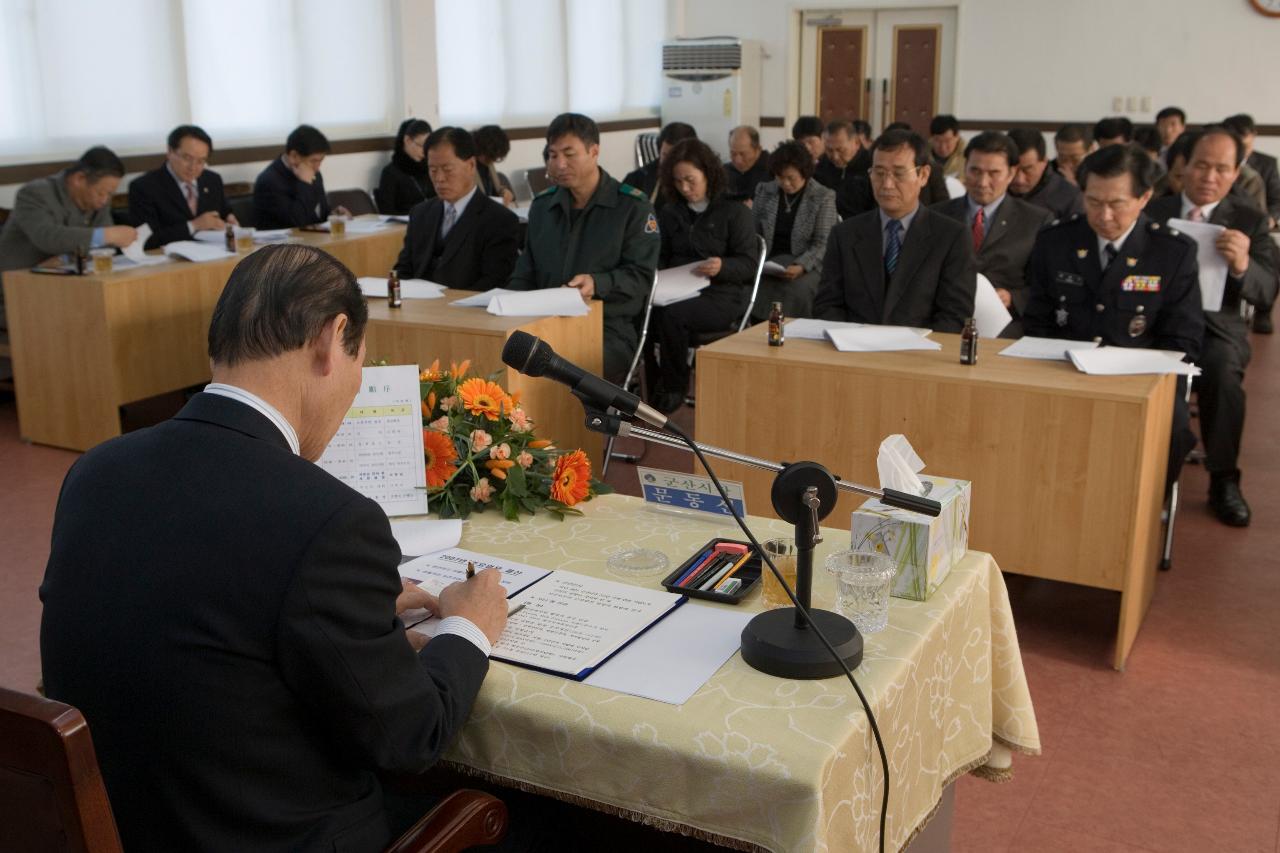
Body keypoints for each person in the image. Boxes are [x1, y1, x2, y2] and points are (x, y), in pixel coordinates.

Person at [40, 242, 509, 852]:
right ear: (330, 338)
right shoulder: (327, 519)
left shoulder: (97, 470)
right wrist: (469, 628)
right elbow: (410, 738)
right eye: (358, 360)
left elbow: (202, 615)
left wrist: (349, 616)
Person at [1023, 143, 1203, 492]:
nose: (1104, 216)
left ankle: (1148, 509)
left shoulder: (1172, 252)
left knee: (1176, 429)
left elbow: (1184, 339)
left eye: (1116, 204)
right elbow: (1037, 321)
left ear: (1144, 197)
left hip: (1140, 377)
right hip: (1062, 370)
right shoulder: (1055, 241)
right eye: (1093, 202)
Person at [1146, 128, 1277, 526]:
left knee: (1221, 372)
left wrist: (1242, 265)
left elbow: (1267, 289)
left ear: (1236, 173)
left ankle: (1224, 480)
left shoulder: (1249, 220)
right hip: (1154, 325)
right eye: (1201, 165)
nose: (1209, 176)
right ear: (1182, 165)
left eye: (1222, 168)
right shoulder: (1153, 210)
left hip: (1215, 329)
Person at [508, 113, 659, 381]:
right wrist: (505, 307)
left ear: (594, 151)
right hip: (541, 320)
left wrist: (598, 283)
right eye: (553, 155)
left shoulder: (632, 207)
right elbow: (524, 272)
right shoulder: (543, 206)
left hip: (607, 328)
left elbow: (640, 277)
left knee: (563, 369)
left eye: (569, 154)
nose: (560, 164)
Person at [814, 128, 975, 331]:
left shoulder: (951, 236)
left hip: (919, 354)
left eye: (899, 174)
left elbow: (955, 315)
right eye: (879, 173)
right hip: (854, 350)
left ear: (923, 175)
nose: (887, 184)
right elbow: (827, 306)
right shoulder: (844, 234)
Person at [644, 139, 758, 414]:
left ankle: (675, 386)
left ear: (708, 174)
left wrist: (723, 266)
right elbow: (662, 254)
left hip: (721, 293)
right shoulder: (671, 211)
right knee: (642, 311)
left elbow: (749, 265)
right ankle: (651, 383)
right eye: (679, 181)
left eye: (691, 180)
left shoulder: (734, 211)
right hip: (676, 288)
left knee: (673, 316)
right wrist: (655, 272)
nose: (685, 188)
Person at [933, 132, 1053, 336]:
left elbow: (1045, 286)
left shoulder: (1036, 221)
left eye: (993, 173)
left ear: (1011, 173)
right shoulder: (936, 215)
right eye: (975, 171)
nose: (982, 182)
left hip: (1006, 328)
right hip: (945, 324)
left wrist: (1013, 297)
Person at [393, 127, 520, 291]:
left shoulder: (500, 220)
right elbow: (404, 270)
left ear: (471, 165)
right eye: (433, 170)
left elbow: (494, 280)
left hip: (466, 311)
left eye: (447, 169)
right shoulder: (420, 213)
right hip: (417, 308)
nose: (439, 178)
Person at [0, 146, 136, 273]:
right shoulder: (34, 193)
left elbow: (105, 249)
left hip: (67, 277)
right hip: (19, 279)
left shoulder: (99, 200)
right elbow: (47, 237)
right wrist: (105, 235)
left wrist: (65, 259)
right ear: (79, 179)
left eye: (110, 194)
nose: (105, 200)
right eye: (101, 193)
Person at [750, 140, 838, 321]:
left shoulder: (822, 196)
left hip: (809, 263)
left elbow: (823, 243)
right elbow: (753, 233)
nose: (785, 183)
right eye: (780, 177)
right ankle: (757, 332)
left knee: (796, 290)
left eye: (791, 178)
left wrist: (801, 265)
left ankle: (790, 334)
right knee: (753, 284)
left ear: (804, 173)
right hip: (771, 261)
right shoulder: (765, 191)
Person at [128, 125, 237, 249]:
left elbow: (225, 212)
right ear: (169, 152)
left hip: (212, 256)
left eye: (201, 161)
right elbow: (146, 240)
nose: (193, 167)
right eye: (187, 158)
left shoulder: (212, 180)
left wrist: (230, 220)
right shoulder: (144, 187)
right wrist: (193, 225)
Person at [253, 124, 348, 229]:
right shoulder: (269, 181)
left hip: (313, 241)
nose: (317, 167)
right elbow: (296, 222)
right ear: (293, 156)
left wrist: (333, 216)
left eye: (321, 161)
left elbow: (318, 214)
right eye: (313, 161)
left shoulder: (314, 173)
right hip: (283, 244)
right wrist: (305, 184)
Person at [1008, 128, 1084, 221]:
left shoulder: (1071, 198)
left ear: (1044, 162)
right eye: (1013, 169)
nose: (1019, 179)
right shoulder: (990, 191)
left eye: (1028, 169)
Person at [622, 122, 698, 206]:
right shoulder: (638, 178)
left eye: (675, 157)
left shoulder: (698, 182)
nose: (669, 162)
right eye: (665, 155)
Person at [813, 119, 875, 219]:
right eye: (829, 150)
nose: (835, 156)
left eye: (841, 150)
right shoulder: (821, 166)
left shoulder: (871, 166)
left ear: (856, 143)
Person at [375, 118, 435, 215]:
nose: (424, 152)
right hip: (405, 225)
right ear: (407, 140)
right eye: (421, 146)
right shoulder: (390, 173)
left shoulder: (430, 168)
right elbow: (387, 211)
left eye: (427, 147)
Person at [723, 125, 771, 204]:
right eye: (733, 153)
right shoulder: (725, 171)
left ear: (758, 150)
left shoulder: (773, 171)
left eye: (743, 154)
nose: (738, 160)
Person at [473, 124, 515, 205]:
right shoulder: (466, 166)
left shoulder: (488, 165)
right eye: (490, 157)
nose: (492, 161)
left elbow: (493, 191)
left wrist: (504, 192)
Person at [929, 114, 965, 180]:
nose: (943, 147)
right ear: (931, 138)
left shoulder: (968, 155)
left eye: (947, 141)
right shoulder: (922, 154)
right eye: (937, 141)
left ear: (957, 137)